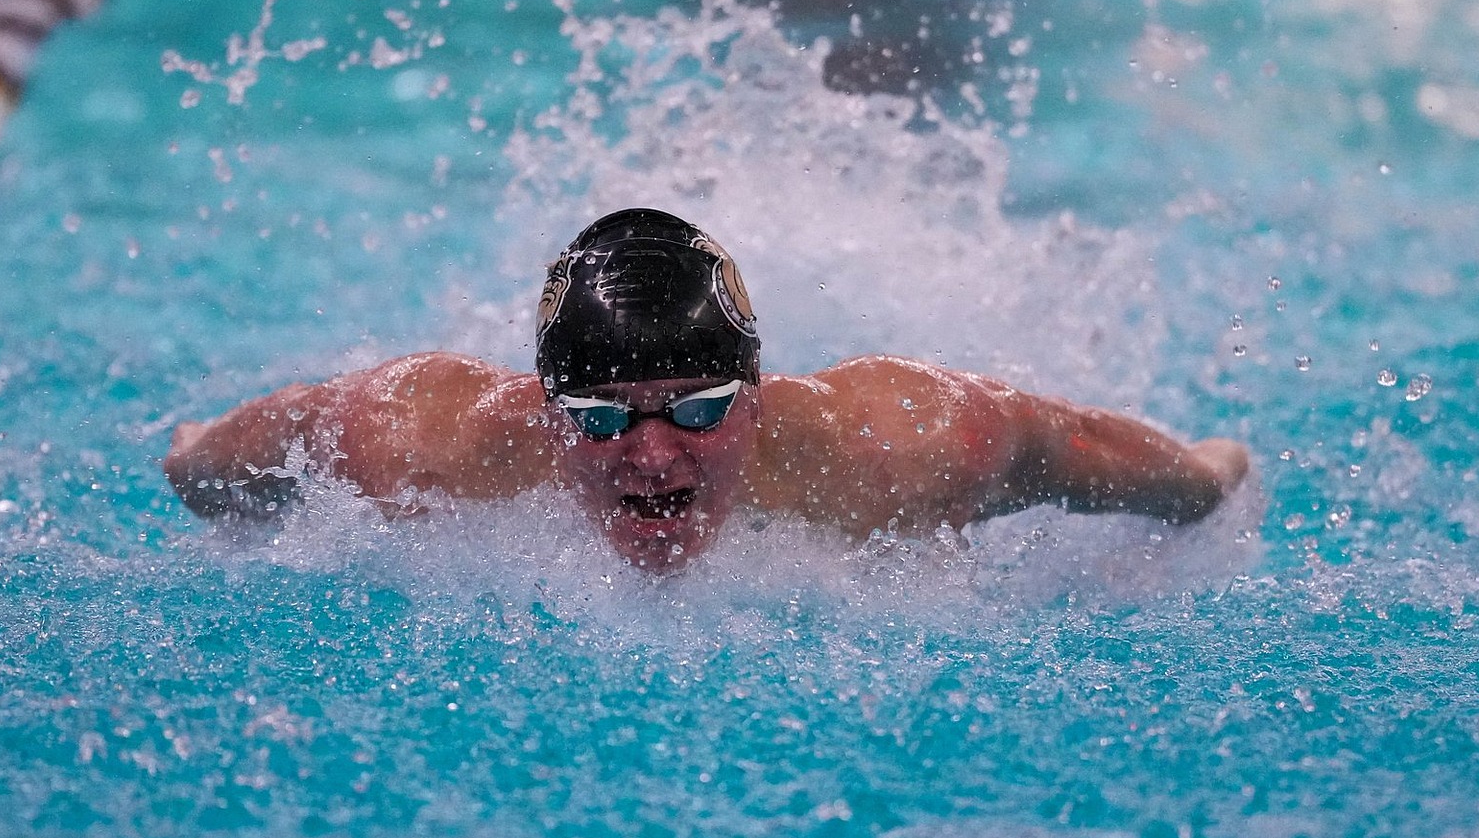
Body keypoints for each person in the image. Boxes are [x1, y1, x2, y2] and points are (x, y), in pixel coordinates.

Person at [164, 208, 1251, 572]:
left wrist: (1206, 479)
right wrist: (193, 462)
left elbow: (1073, 446)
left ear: (759, 394)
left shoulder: (903, 445)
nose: (652, 455)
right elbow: (230, 456)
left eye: (696, 408)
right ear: (544, 413)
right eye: (599, 419)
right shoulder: (416, 438)